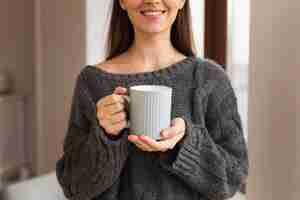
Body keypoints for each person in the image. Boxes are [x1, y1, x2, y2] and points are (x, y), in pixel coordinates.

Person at [56, 0, 249, 200]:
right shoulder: (92, 82)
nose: (153, 0)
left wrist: (185, 142)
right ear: (121, 1)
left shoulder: (209, 79)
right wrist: (107, 137)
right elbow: (74, 188)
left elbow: (232, 178)